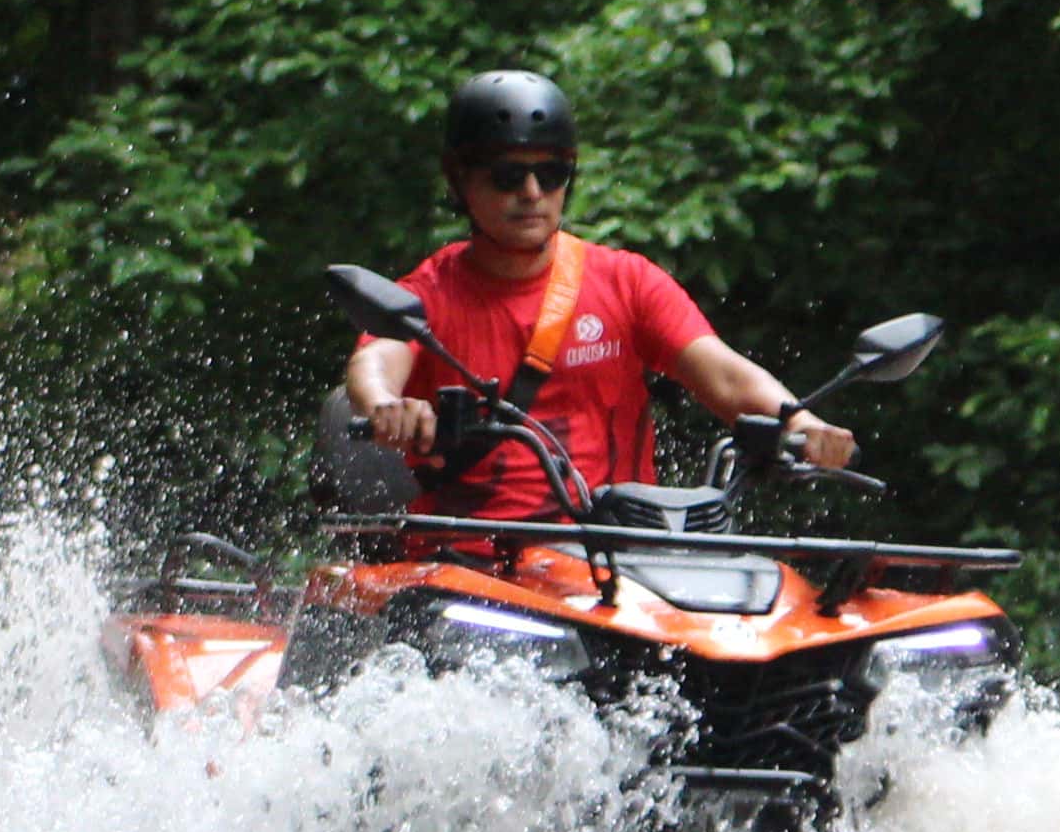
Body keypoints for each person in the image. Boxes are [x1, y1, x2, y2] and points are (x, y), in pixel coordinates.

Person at [345, 72, 854, 517]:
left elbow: (723, 373)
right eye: (506, 175)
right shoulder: (430, 292)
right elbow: (375, 364)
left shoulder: (626, 281)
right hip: (470, 570)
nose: (531, 192)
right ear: (459, 181)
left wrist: (802, 425)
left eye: (551, 173)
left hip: (617, 565)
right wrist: (386, 406)